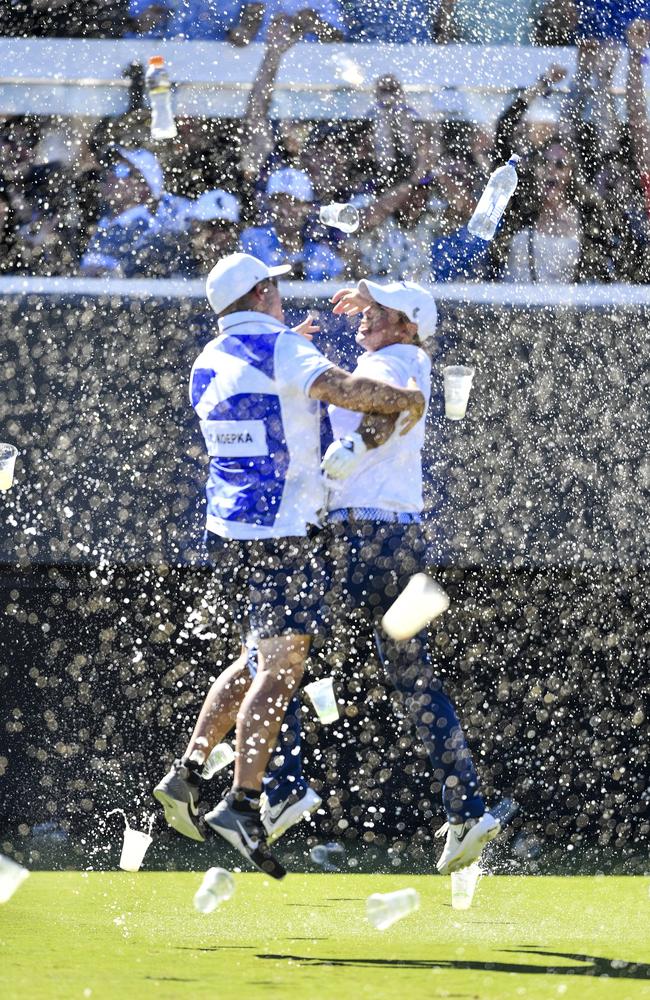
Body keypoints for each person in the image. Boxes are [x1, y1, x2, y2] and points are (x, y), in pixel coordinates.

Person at [153, 252, 425, 877]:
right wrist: (406, 397)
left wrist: (289, 353)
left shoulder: (210, 357)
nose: (281, 293)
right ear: (262, 293)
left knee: (254, 660)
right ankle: (244, 802)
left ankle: (188, 771)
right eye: (273, 284)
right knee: (280, 669)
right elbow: (348, 391)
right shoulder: (280, 351)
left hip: (233, 528)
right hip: (285, 528)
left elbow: (257, 397)